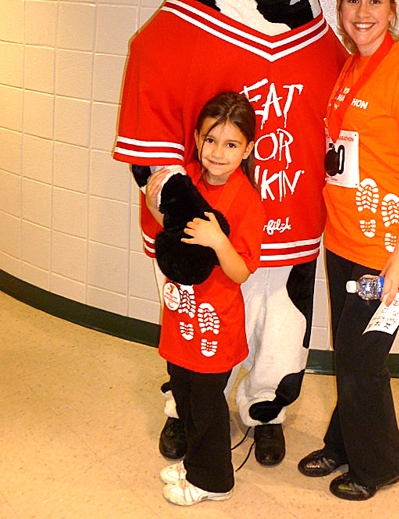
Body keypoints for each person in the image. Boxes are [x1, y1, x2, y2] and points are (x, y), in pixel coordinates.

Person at [298, 0, 399, 501]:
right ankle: (344, 441)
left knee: (364, 360)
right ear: (340, 7)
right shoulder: (352, 68)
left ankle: (380, 463)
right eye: (352, 0)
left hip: (387, 253)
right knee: (350, 352)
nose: (362, 12)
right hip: (345, 241)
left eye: (374, 1)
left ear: (393, 9)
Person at [145, 91, 266, 506]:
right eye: (210, 140)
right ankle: (195, 462)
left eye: (231, 144)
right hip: (181, 317)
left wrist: (218, 241)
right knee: (183, 396)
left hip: (216, 323)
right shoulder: (189, 184)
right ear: (196, 140)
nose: (218, 152)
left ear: (247, 148)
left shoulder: (247, 200)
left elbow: (242, 270)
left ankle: (213, 480)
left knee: (206, 405)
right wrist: (153, 200)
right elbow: (170, 228)